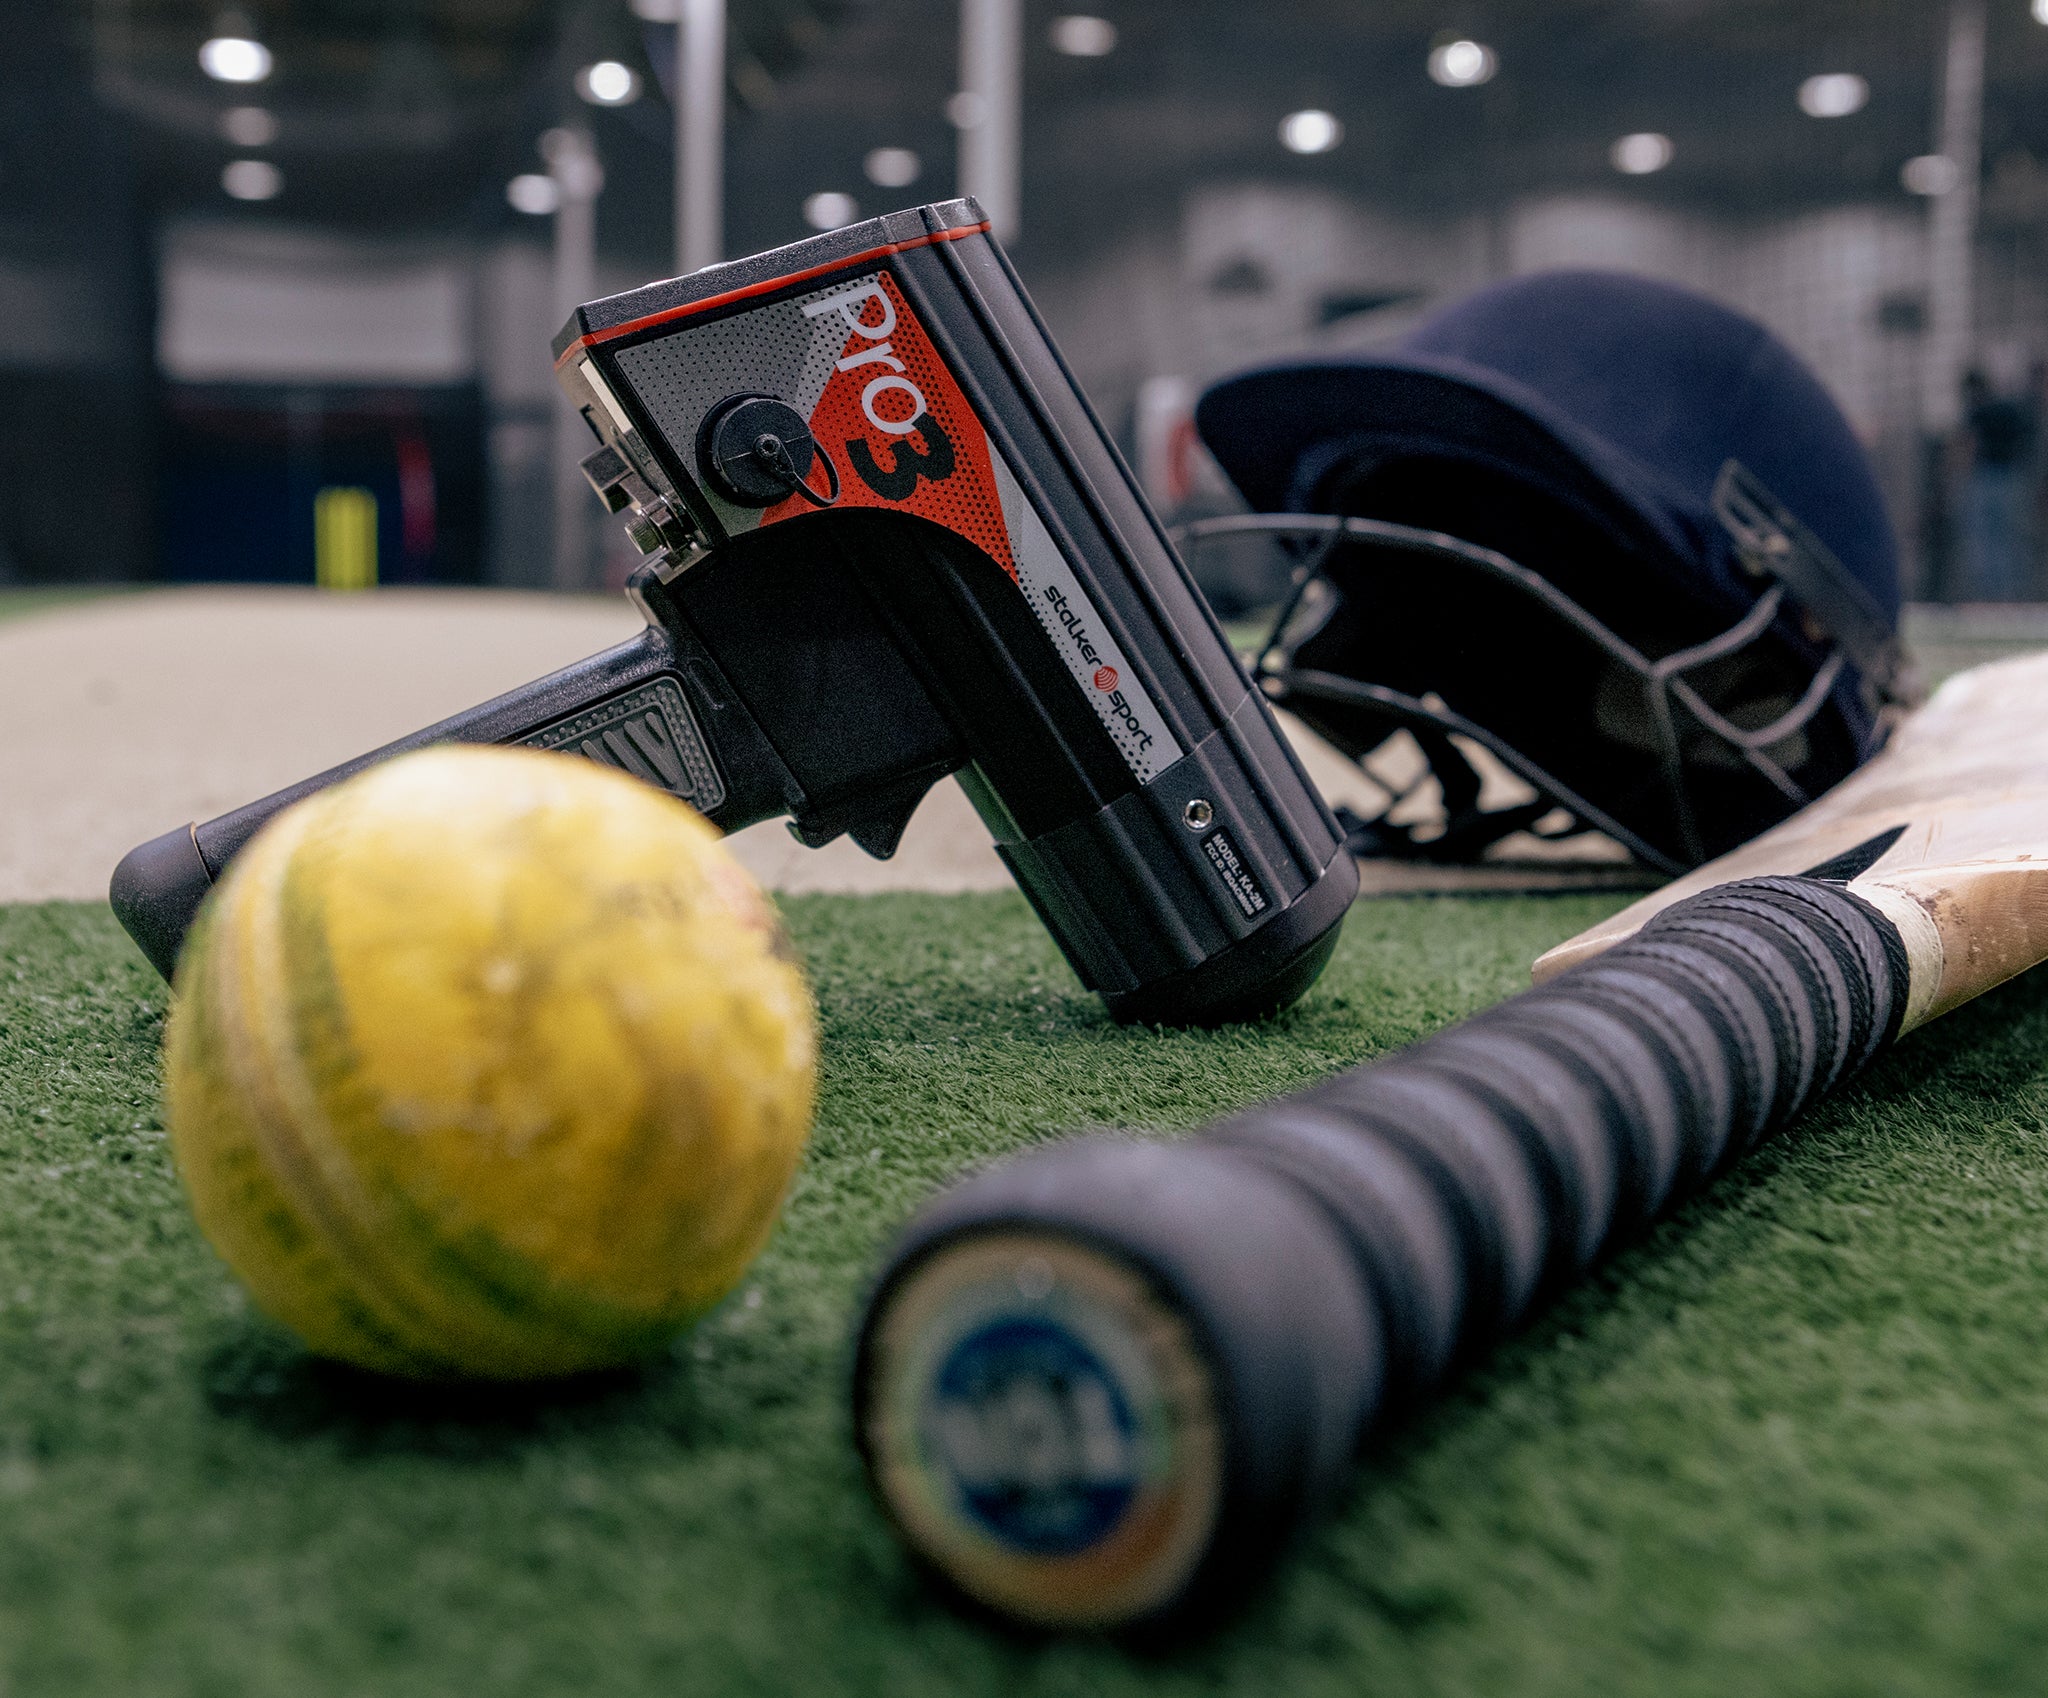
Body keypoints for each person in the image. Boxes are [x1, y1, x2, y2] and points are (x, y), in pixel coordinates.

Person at [1958, 367, 2039, 601]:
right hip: (2009, 478)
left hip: (1990, 478)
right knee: (2003, 538)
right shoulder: (2010, 409)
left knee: (1990, 539)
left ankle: (1994, 594)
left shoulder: (1983, 410)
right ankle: (2005, 594)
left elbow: (1967, 445)